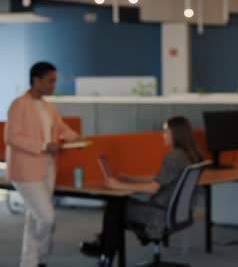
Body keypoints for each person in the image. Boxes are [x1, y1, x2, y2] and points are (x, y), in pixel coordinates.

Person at [79, 116, 203, 264]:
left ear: (176, 133)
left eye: (166, 131)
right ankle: (104, 249)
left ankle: (105, 253)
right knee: (116, 207)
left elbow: (153, 188)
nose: (163, 135)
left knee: (115, 207)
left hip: (158, 213)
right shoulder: (189, 156)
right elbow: (160, 181)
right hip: (171, 210)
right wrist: (130, 179)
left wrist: (120, 186)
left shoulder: (173, 157)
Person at [5, 61, 81, 267]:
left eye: (54, 81)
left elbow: (62, 128)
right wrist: (43, 146)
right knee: (47, 217)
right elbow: (12, 137)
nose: (53, 85)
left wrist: (76, 138)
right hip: (26, 169)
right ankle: (41, 255)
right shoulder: (18, 104)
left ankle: (30, 262)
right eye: (49, 81)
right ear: (36, 80)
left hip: (48, 168)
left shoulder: (49, 106)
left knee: (34, 217)